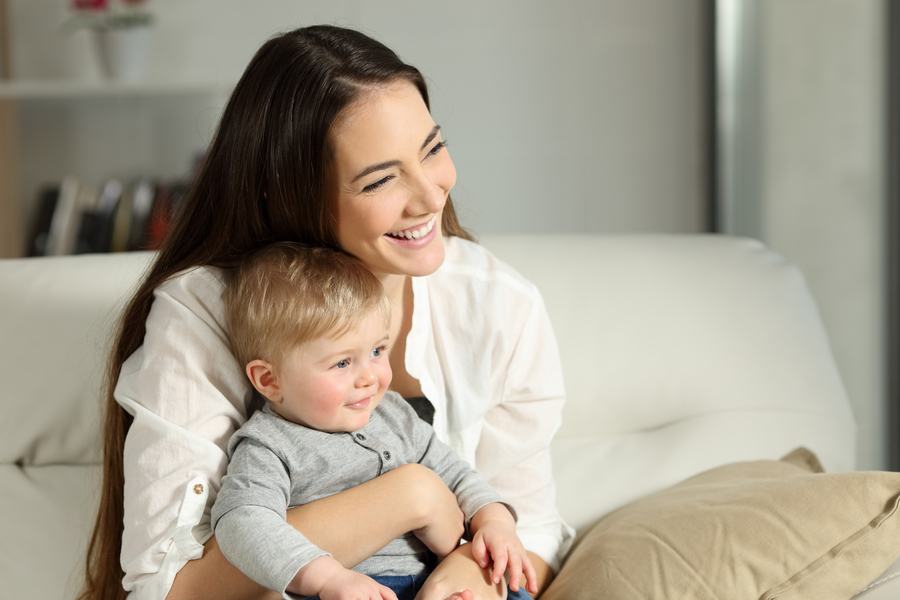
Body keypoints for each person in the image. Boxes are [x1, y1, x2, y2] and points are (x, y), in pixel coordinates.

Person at [79, 24, 572, 600]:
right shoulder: (206, 313)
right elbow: (171, 589)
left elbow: (532, 530)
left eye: (432, 148)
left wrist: (463, 576)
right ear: (294, 195)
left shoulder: (497, 302)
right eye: (381, 179)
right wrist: (408, 497)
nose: (432, 196)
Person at [212, 243, 537, 600]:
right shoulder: (268, 445)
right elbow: (242, 522)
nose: (370, 377)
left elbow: (458, 475)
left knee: (511, 585)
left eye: (377, 351)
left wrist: (494, 521)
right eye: (342, 363)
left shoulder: (393, 413)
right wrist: (327, 578)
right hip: (351, 589)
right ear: (270, 380)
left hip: (441, 578)